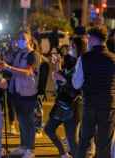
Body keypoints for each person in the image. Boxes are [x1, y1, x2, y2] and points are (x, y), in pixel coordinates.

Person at [73, 26, 115, 158]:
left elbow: (76, 83)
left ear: (93, 39)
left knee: (84, 142)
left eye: (88, 38)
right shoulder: (113, 58)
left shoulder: (84, 58)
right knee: (104, 144)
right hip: (108, 106)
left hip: (90, 104)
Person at [44, 37, 83, 158]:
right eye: (69, 46)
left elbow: (77, 87)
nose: (69, 49)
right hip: (61, 102)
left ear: (79, 48)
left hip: (73, 104)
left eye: (72, 46)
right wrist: (57, 65)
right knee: (49, 129)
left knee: (72, 140)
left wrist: (63, 79)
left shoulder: (82, 63)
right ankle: (63, 153)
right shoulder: (70, 60)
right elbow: (61, 77)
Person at [4, 31, 40, 158]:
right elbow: (7, 61)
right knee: (21, 121)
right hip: (17, 92)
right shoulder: (19, 53)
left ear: (30, 41)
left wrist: (9, 68)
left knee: (28, 122)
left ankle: (31, 150)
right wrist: (9, 50)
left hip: (28, 93)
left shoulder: (33, 55)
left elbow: (28, 72)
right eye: (19, 38)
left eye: (23, 39)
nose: (20, 41)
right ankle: (23, 146)